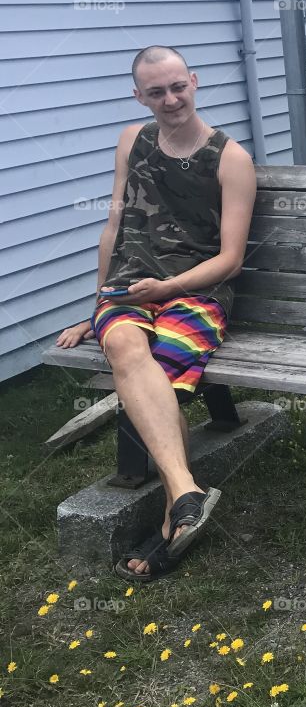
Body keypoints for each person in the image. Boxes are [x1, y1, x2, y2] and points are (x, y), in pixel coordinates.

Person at [56, 45, 257, 582]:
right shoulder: (132, 141)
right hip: (128, 289)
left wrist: (166, 286)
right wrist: (96, 304)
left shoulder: (230, 159)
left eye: (177, 87)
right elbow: (114, 228)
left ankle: (174, 511)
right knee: (124, 344)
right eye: (156, 92)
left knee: (161, 362)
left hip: (197, 290)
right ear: (138, 96)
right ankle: (184, 489)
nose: (170, 100)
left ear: (193, 82)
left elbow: (231, 260)